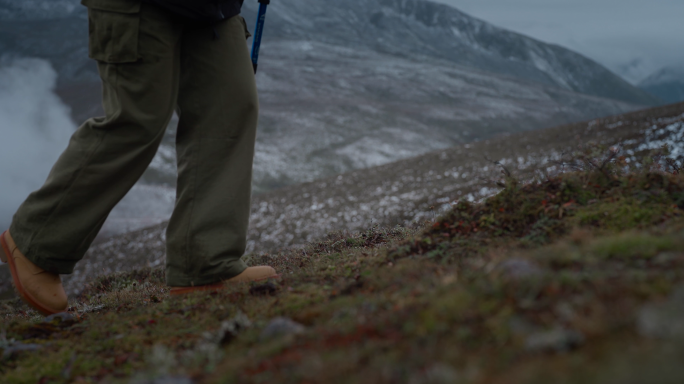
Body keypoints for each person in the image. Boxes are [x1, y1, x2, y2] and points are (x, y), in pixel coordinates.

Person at [0, 0, 277, 316]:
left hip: (212, 8)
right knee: (136, 120)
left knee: (231, 108)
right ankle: (37, 242)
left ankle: (207, 263)